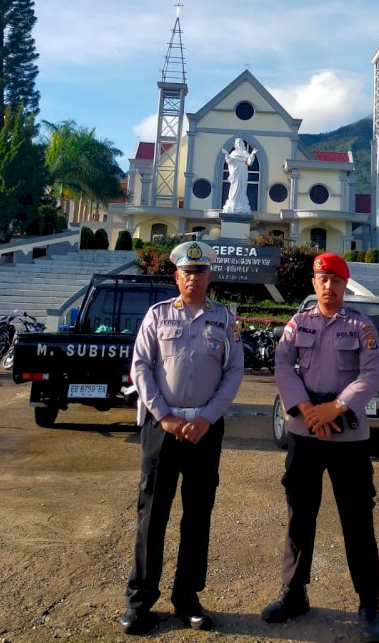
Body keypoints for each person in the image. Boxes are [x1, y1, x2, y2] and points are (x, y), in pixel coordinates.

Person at [120, 240, 244, 635]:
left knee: (197, 515)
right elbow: (141, 367)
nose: (193, 278)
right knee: (152, 514)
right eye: (187, 272)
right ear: (177, 276)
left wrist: (207, 418)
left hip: (205, 430)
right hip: (163, 428)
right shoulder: (157, 317)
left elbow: (234, 373)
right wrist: (164, 416)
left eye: (200, 272)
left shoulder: (225, 320)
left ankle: (186, 598)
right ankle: (139, 603)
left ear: (210, 277)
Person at [261, 252, 379, 643]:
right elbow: (283, 366)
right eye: (321, 279)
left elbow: (373, 373)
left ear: (344, 285)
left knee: (357, 520)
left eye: (335, 280)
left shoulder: (361, 326)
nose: (328, 286)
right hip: (305, 433)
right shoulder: (298, 324)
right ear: (313, 284)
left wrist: (335, 406)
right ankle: (294, 594)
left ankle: (369, 604)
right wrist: (306, 410)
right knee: (300, 515)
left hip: (348, 437)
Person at [221, 138, 256, 214]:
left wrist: (252, 154)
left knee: (242, 187)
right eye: (237, 143)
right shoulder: (233, 153)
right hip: (236, 173)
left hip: (243, 172)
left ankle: (241, 203)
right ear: (236, 145)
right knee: (235, 186)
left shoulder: (245, 153)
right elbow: (230, 161)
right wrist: (227, 155)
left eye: (240, 143)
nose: (239, 144)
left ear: (242, 144)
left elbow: (249, 162)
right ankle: (233, 203)